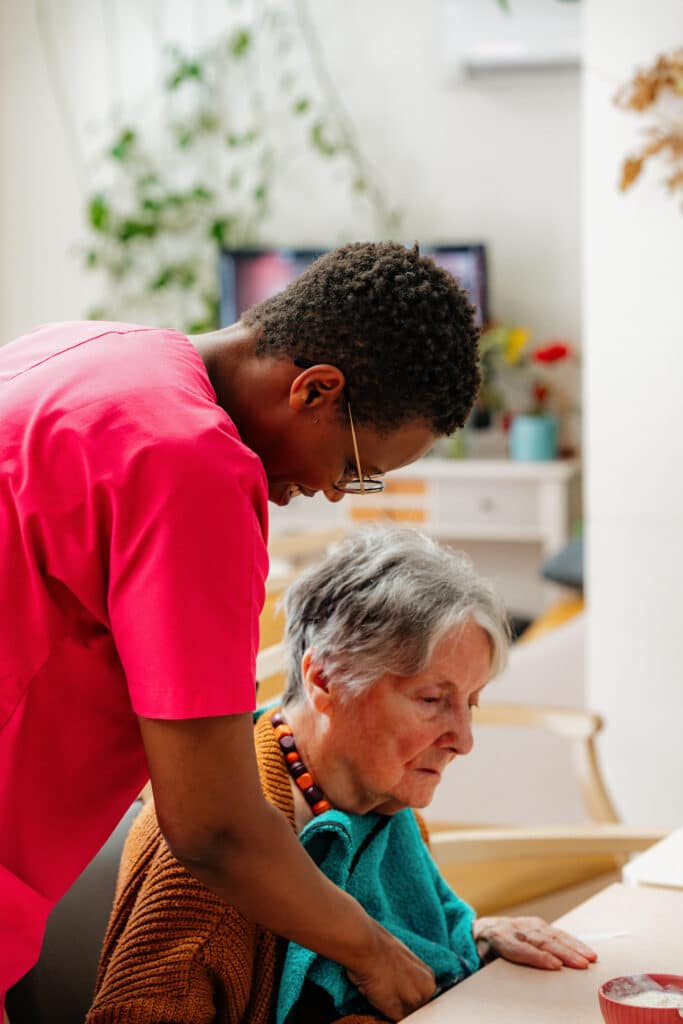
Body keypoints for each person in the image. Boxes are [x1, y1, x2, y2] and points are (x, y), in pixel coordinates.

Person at [0, 242, 482, 1021]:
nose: (331, 492)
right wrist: (371, 951)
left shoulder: (76, 349)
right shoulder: (191, 465)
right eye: (354, 467)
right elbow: (212, 823)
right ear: (315, 390)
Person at [86, 528, 596, 1024]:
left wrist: (476, 941)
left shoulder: (377, 807)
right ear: (324, 680)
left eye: (470, 703)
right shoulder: (213, 860)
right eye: (431, 700)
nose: (463, 740)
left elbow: (411, 954)